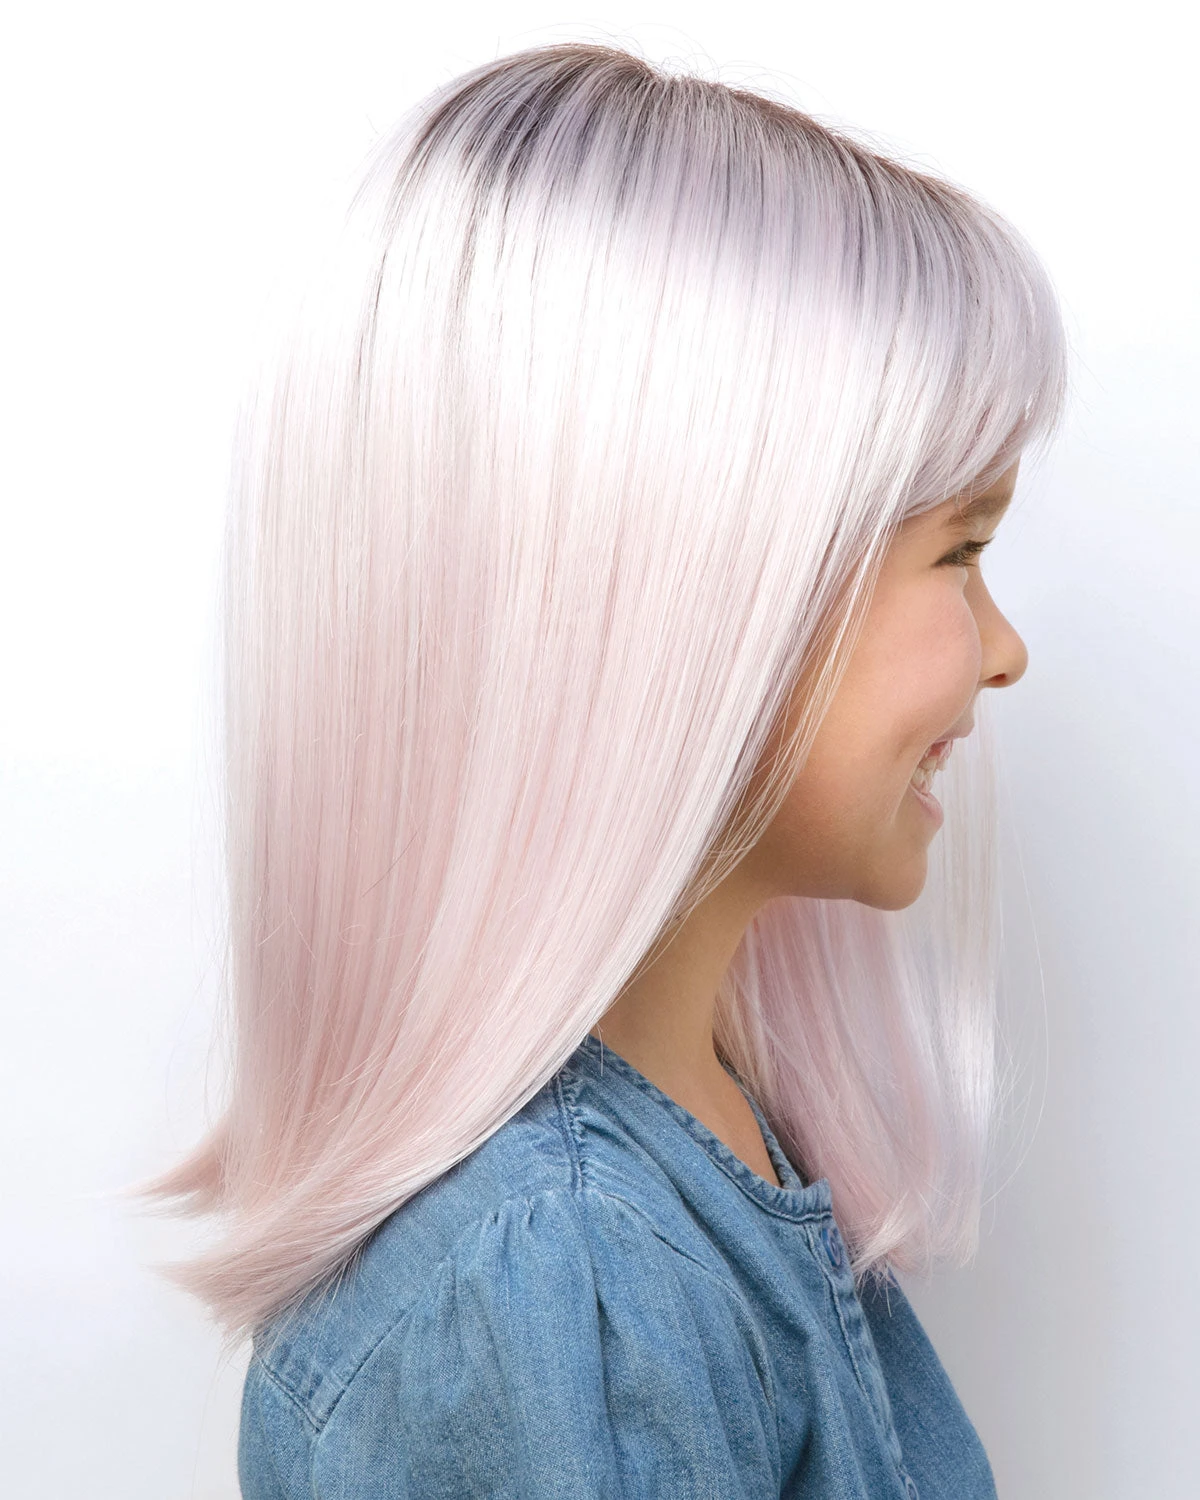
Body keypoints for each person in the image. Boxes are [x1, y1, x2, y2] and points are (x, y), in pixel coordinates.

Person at [130, 39, 1068, 1498]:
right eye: (961, 551)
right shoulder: (563, 1286)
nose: (1003, 651)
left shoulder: (680, 1149)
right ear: (706, 592)